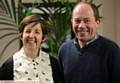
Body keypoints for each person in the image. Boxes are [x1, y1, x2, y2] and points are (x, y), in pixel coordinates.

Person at [58, 1, 120, 83]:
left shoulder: (112, 50)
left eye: (87, 21)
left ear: (97, 23)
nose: (81, 26)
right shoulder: (64, 50)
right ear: (72, 22)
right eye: (77, 20)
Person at [0, 13, 64, 83]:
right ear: (21, 35)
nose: (31, 36)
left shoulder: (53, 63)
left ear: (43, 37)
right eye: (28, 31)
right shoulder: (8, 66)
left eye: (37, 32)